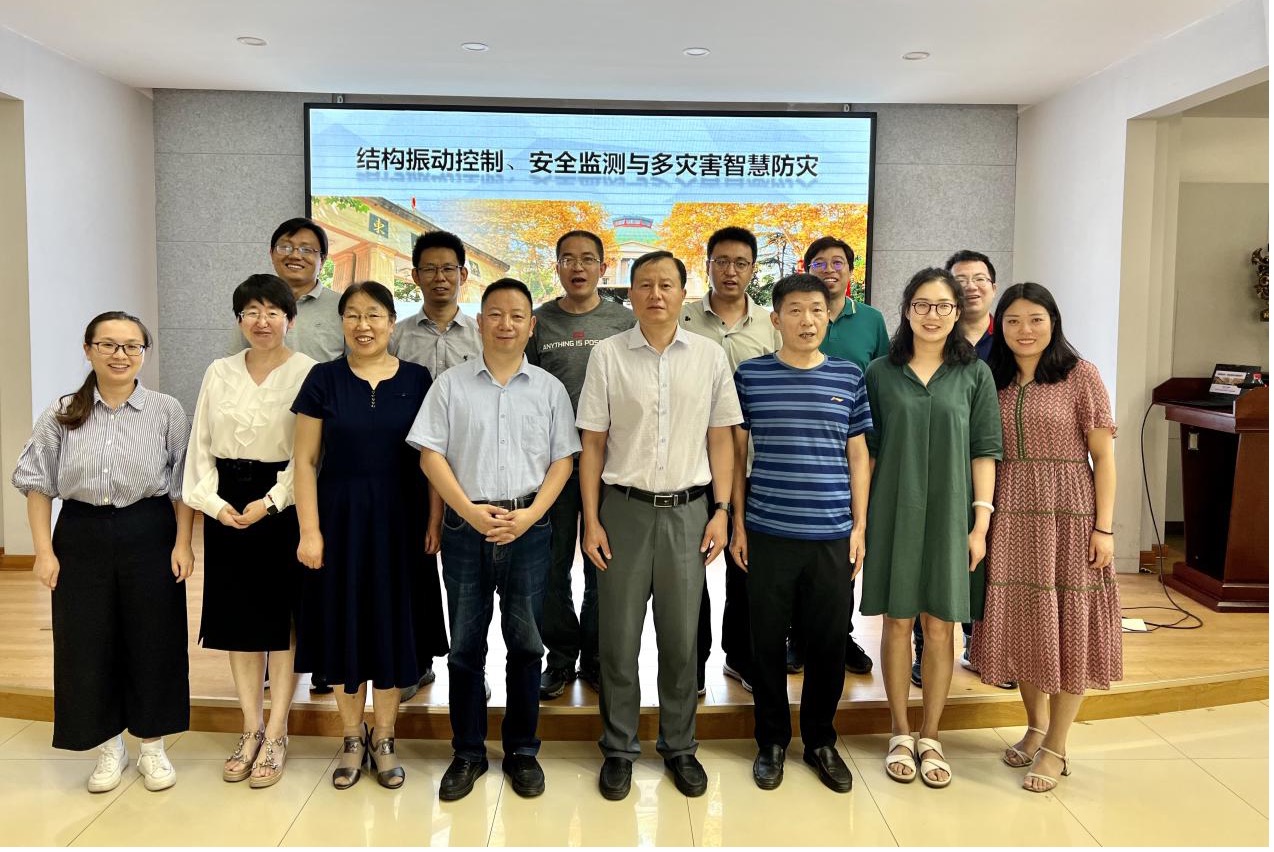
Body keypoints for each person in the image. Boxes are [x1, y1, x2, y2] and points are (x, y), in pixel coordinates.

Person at [576, 250, 741, 801]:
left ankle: (680, 746)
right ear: (630, 293)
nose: (655, 294)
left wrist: (722, 510)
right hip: (623, 511)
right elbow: (592, 443)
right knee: (618, 640)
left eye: (666, 284)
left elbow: (721, 437)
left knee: (681, 640)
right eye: (644, 284)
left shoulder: (709, 356)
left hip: (690, 512)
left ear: (683, 291)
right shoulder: (607, 355)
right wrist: (591, 519)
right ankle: (619, 749)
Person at [410, 278, 579, 801]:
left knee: (526, 645)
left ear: (531, 326)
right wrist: (467, 511)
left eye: (517, 315)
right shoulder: (450, 385)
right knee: (465, 647)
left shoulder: (548, 389)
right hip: (467, 528)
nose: (506, 324)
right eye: (496, 314)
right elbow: (430, 455)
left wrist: (528, 517)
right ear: (480, 323)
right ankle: (468, 753)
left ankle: (523, 751)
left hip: (529, 528)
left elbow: (563, 461)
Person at [12, 311, 194, 793]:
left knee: (154, 636)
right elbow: (36, 484)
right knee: (86, 639)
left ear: (144, 353)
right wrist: (43, 551)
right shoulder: (62, 412)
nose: (120, 355)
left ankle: (152, 745)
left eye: (132, 346)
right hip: (81, 533)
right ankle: (108, 746)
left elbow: (182, 484)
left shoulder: (166, 411)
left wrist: (183, 543)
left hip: (149, 529)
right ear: (88, 349)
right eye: (109, 344)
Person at [972, 282, 1120, 793]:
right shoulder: (993, 377)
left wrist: (1104, 527)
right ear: (1000, 327)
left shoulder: (1081, 375)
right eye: (1013, 320)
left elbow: (1104, 458)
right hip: (1010, 513)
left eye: (1036, 319)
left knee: (1068, 622)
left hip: (1068, 513)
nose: (1025, 330)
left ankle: (1057, 745)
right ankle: (1035, 727)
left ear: (1053, 322)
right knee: (1026, 622)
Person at [729, 273, 872, 793]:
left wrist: (860, 526)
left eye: (816, 310)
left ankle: (819, 740)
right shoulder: (751, 376)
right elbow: (737, 455)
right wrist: (738, 522)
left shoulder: (849, 376)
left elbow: (858, 456)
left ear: (828, 316)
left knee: (827, 644)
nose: (807, 320)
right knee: (766, 643)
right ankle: (770, 740)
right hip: (768, 531)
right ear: (776, 319)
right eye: (795, 310)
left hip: (832, 534)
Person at [861, 268, 1002, 788]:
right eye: (922, 304)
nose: (933, 315)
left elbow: (984, 450)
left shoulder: (975, 375)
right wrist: (861, 522)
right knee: (897, 621)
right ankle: (899, 730)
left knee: (941, 624)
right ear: (906, 310)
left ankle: (932, 734)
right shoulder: (880, 373)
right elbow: (867, 455)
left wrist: (980, 524)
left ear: (957, 312)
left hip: (951, 514)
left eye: (944, 306)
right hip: (892, 512)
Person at [292, 281, 435, 790]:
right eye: (352, 315)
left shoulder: (418, 379)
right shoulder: (322, 379)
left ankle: (386, 736)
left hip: (402, 521)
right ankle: (352, 736)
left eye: (374, 315)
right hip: (339, 521)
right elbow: (305, 461)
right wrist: (310, 531)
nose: (363, 325)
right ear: (342, 323)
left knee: (393, 627)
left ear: (392, 322)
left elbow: (432, 457)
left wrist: (433, 521)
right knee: (345, 625)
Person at [183, 274, 316, 788]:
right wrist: (213, 505)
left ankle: (278, 732)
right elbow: (200, 445)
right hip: (225, 502)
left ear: (290, 319)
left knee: (280, 623)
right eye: (251, 312)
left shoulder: (308, 371)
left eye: (273, 312)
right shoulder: (218, 370)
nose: (262, 321)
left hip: (281, 500)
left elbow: (309, 453)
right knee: (238, 622)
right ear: (239, 320)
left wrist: (272, 502)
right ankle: (250, 727)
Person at [527, 230, 634, 700]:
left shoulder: (624, 321)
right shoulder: (539, 321)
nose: (578, 267)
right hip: (551, 463)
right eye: (568, 259)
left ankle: (595, 655)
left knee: (602, 562)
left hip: (610, 464)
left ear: (602, 268)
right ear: (556, 267)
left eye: (588, 259)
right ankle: (561, 655)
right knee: (550, 567)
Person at [680, 226, 780, 695]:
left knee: (747, 565)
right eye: (721, 261)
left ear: (753, 269)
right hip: (691, 465)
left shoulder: (770, 324)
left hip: (755, 464)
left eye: (741, 263)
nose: (731, 271)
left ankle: (740, 657)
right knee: (690, 569)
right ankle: (693, 662)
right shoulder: (682, 318)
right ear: (708, 266)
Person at [788, 235, 887, 678]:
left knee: (843, 553)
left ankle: (838, 636)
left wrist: (873, 453)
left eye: (838, 262)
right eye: (820, 263)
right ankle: (797, 637)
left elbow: (883, 382)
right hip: (798, 455)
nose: (829, 270)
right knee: (796, 553)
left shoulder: (871, 320)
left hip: (851, 453)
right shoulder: (795, 313)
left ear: (850, 270)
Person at [913, 249, 1012, 689]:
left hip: (994, 466)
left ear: (993, 286)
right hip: (937, 471)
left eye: (979, 279)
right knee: (928, 567)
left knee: (982, 561)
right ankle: (926, 649)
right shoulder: (924, 347)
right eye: (961, 279)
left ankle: (980, 644)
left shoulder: (1008, 338)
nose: (971, 286)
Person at [233, 218, 344, 364]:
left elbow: (358, 365)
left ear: (322, 260)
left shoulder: (343, 306)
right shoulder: (253, 303)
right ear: (271, 253)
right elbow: (235, 363)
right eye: (285, 247)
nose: (295, 256)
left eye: (307, 250)